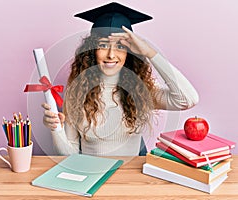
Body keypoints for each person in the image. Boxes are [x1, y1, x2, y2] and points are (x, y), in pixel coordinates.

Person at [41, 2, 199, 156]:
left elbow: (188, 99)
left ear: (130, 52)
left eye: (120, 47)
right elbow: (71, 155)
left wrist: (149, 53)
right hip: (92, 176)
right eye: (103, 45)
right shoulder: (76, 93)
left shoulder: (141, 90)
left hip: (130, 178)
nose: (111, 54)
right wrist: (57, 130)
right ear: (92, 50)